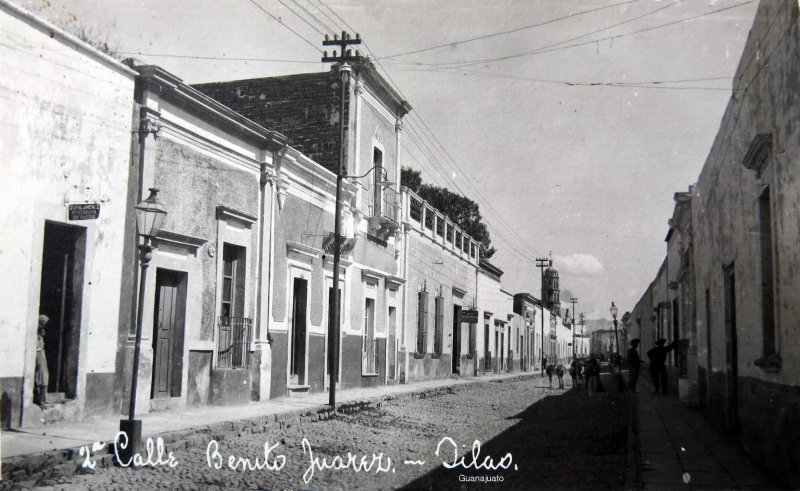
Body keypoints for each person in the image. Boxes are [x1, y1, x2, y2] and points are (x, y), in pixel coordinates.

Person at [34, 315, 50, 407]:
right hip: (38, 355)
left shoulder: (40, 333)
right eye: (42, 323)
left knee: (44, 375)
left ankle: (43, 398)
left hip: (41, 355)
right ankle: (40, 399)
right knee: (41, 376)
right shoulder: (36, 334)